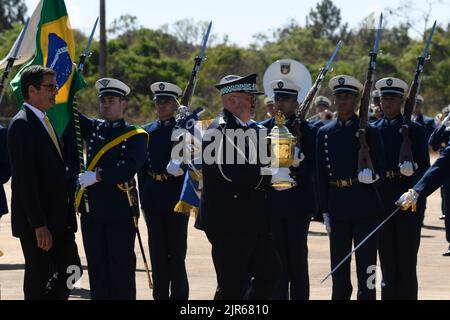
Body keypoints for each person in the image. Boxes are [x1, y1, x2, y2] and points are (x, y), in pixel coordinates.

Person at [196, 73, 281, 300]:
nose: (255, 103)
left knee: (270, 274)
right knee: (232, 285)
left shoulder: (254, 129)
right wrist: (271, 176)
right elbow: (232, 173)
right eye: (250, 98)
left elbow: (266, 161)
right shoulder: (218, 130)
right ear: (232, 100)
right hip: (228, 221)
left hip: (254, 219)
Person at [7, 65, 81, 300]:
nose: (55, 92)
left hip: (57, 220)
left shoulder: (43, 120)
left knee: (72, 270)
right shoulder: (23, 124)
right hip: (39, 225)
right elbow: (25, 181)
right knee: (39, 279)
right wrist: (39, 225)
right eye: (50, 87)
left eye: (55, 86)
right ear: (32, 90)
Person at [71, 78, 148, 300]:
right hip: (92, 210)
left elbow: (128, 168)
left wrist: (97, 176)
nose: (106, 105)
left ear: (123, 103)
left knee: (120, 267)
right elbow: (69, 111)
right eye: (103, 101)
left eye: (111, 100)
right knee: (97, 267)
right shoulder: (94, 127)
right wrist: (70, 81)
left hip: (119, 211)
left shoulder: (136, 135)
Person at [316, 75, 385, 300]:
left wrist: (372, 176)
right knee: (339, 269)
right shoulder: (324, 133)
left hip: (365, 206)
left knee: (367, 268)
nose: (342, 102)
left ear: (357, 101)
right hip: (338, 206)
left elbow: (382, 170)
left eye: (347, 97)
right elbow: (321, 176)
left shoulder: (370, 131)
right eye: (339, 97)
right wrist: (324, 210)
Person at [373, 77, 430, 300]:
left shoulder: (414, 130)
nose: (387, 103)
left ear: (401, 101)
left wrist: (413, 170)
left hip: (407, 204)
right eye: (383, 99)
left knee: (406, 264)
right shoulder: (374, 129)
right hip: (382, 201)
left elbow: (426, 169)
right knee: (387, 263)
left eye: (392, 99)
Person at [259, 79, 316, 300]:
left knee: (297, 260)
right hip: (272, 204)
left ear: (296, 103)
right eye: (277, 99)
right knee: (276, 260)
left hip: (297, 205)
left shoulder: (309, 130)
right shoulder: (263, 129)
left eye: (286, 99)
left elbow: (315, 168)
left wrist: (299, 165)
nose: (280, 104)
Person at [137, 81, 189, 300]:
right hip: (153, 197)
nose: (161, 106)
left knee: (176, 254)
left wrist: (183, 166)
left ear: (175, 104)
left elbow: (195, 162)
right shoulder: (146, 131)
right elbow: (141, 169)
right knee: (158, 254)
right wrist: (142, 200)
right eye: (158, 102)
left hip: (176, 198)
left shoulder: (185, 130)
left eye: (166, 102)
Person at [428, 107, 450, 256]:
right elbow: (433, 142)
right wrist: (445, 121)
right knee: (449, 210)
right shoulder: (447, 129)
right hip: (448, 177)